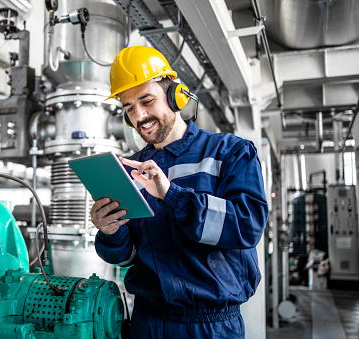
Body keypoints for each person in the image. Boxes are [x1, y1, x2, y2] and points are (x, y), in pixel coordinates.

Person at [90, 46, 269, 338]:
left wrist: (172, 195)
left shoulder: (230, 152)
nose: (140, 116)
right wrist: (111, 231)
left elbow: (247, 227)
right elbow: (127, 256)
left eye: (147, 101)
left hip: (210, 326)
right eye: (129, 108)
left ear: (176, 95)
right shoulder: (130, 171)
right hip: (147, 323)